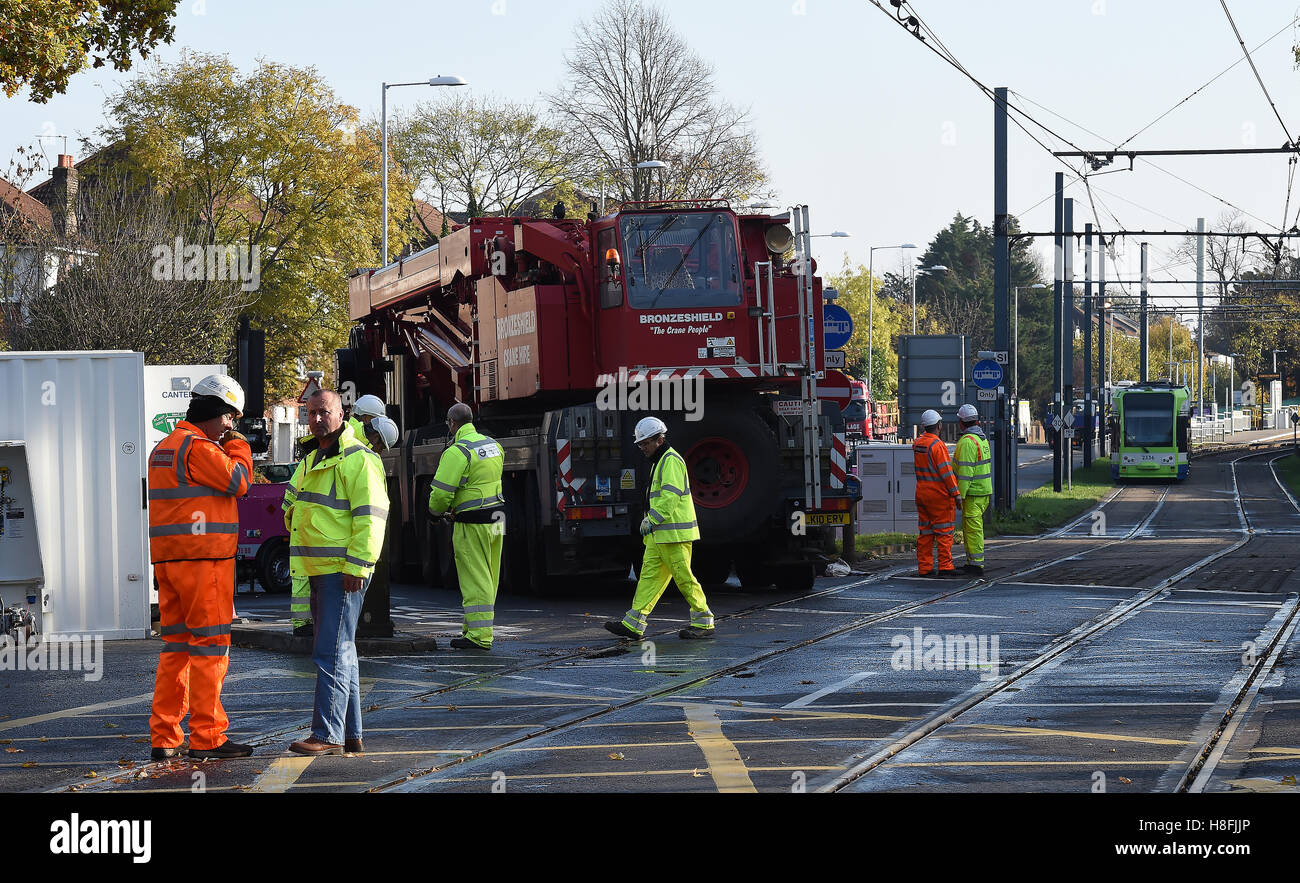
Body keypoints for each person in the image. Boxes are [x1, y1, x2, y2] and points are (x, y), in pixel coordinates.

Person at [148, 374, 255, 760]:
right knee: (210, 648)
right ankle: (208, 738)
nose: (231, 427)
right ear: (215, 411)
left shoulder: (165, 447)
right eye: (230, 418)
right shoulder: (199, 448)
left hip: (170, 563)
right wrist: (239, 445)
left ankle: (165, 736)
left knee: (176, 647)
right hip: (203, 562)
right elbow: (240, 481)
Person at [286, 389, 389, 756]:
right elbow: (294, 504)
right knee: (342, 651)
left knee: (332, 650)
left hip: (341, 571)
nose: (315, 419)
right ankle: (351, 734)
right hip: (321, 569)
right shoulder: (314, 457)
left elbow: (371, 517)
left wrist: (358, 566)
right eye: (310, 413)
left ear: (341, 413)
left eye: (323, 412)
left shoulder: (358, 459)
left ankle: (327, 734)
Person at [605, 416, 715, 641]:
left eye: (645, 443)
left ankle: (704, 621)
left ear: (659, 440)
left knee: (683, 577)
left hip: (673, 534)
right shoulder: (661, 460)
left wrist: (652, 519)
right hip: (661, 534)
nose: (642, 448)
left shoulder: (670, 460)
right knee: (648, 577)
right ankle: (633, 623)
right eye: (640, 444)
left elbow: (670, 496)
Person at [427, 403, 505, 650]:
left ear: (451, 423)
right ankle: (474, 627)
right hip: (498, 517)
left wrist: (433, 514)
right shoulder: (493, 445)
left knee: (475, 575)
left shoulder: (457, 452)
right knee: (491, 574)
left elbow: (440, 495)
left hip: (474, 520)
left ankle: (479, 636)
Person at [913, 409, 963, 579]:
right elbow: (946, 472)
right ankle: (945, 566)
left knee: (925, 533)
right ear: (939, 425)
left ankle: (925, 568)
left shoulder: (918, 443)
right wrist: (956, 494)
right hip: (938, 496)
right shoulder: (937, 445)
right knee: (944, 532)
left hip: (921, 493)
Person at [954, 403, 993, 576]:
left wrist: (958, 496)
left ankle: (976, 564)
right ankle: (972, 562)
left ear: (961, 423)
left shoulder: (967, 442)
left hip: (972, 494)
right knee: (970, 528)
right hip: (982, 491)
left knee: (973, 529)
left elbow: (965, 474)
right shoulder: (982, 439)